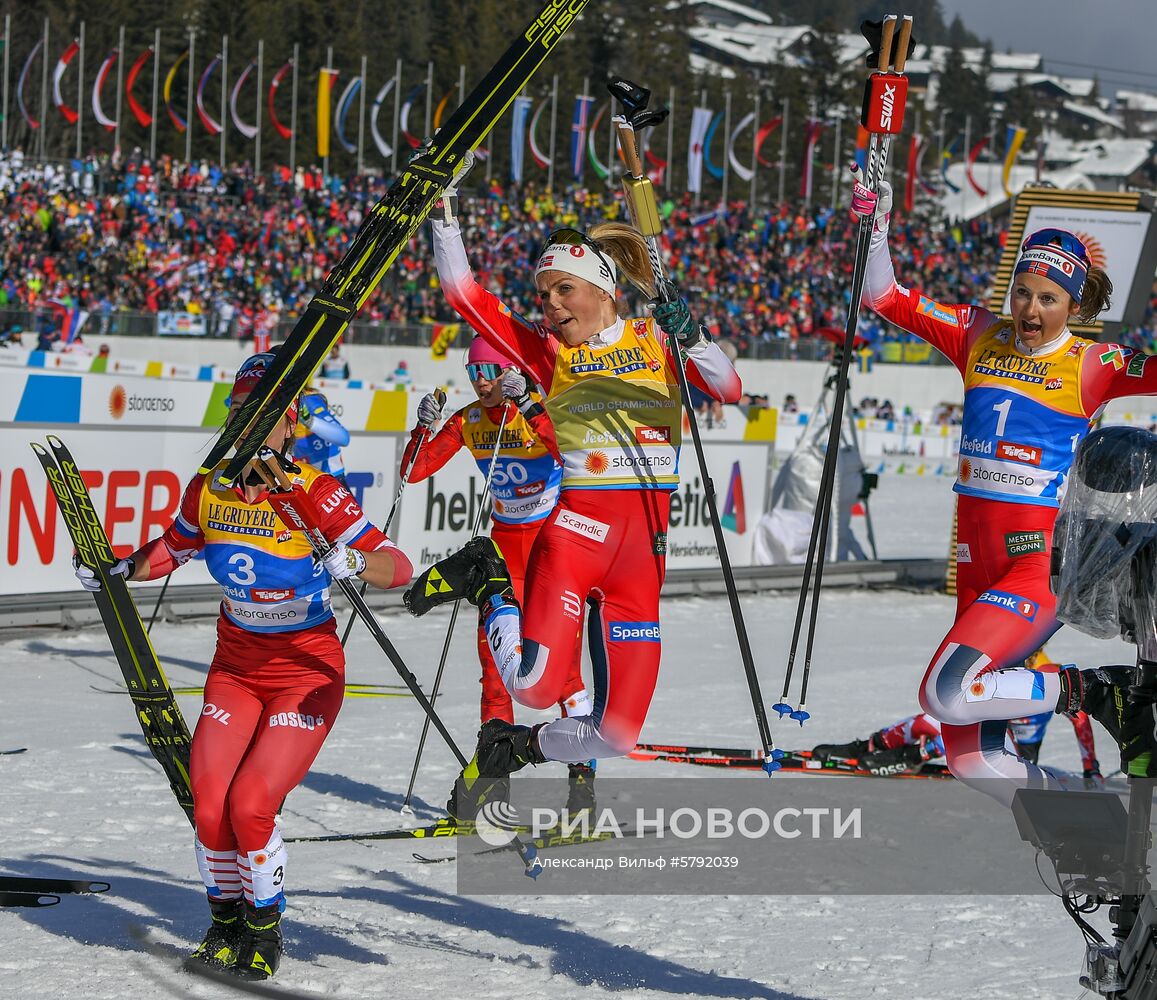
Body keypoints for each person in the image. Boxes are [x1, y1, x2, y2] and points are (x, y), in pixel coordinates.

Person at [404, 174, 742, 808]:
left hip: (643, 559)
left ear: (602, 290)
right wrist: (444, 210)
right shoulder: (545, 353)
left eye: (563, 289)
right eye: (543, 293)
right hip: (577, 535)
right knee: (533, 687)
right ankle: (490, 583)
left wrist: (692, 335)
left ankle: (518, 749)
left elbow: (728, 388)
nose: (550, 304)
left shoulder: (656, 340)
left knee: (614, 734)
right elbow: (463, 291)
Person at [74, 352, 412, 980]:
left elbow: (400, 567)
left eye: (262, 417)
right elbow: (174, 548)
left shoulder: (316, 492)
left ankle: (264, 927)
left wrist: (354, 563)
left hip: (306, 669)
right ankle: (224, 920)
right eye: (238, 414)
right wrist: (121, 571)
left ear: (290, 425)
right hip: (236, 664)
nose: (246, 427)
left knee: (251, 804)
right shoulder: (210, 487)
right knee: (208, 804)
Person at [853, 167, 1157, 806]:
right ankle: (1089, 820)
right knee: (977, 762)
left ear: (1074, 305)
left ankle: (1092, 691)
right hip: (975, 567)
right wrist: (875, 224)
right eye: (1023, 292)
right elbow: (882, 296)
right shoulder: (977, 332)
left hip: (1036, 568)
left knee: (946, 693)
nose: (1030, 310)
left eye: (1048, 299)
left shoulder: (1093, 363)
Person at [401, 336, 595, 812]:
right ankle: (492, 782)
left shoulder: (535, 410)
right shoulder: (469, 420)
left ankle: (582, 784)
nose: (481, 381)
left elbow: (571, 450)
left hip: (552, 551)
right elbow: (415, 470)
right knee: (494, 669)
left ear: (511, 371)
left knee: (564, 671)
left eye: (489, 371)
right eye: (473, 372)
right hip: (505, 551)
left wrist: (530, 402)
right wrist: (420, 431)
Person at [813, 648, 1104, 787]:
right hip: (993, 736)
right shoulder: (1003, 662)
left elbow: (1080, 719)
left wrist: (1090, 767)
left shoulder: (1050, 673)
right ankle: (869, 746)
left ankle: (911, 756)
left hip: (1017, 755)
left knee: (963, 726)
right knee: (929, 717)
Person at [293, 389, 351, 488]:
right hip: (301, 481)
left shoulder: (308, 399)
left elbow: (343, 438)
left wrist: (308, 421)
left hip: (329, 480)